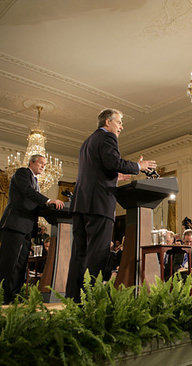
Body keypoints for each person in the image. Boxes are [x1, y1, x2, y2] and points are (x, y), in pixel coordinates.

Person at [66, 109, 156, 302]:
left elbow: (101, 168)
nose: (121, 127)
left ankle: (74, 299)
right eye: (119, 122)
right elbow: (113, 161)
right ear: (108, 122)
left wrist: (118, 175)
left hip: (81, 204)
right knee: (97, 254)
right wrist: (139, 166)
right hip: (98, 205)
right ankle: (91, 301)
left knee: (80, 254)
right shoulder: (108, 138)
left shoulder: (88, 141)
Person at [0, 154, 64, 303]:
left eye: (45, 165)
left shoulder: (36, 182)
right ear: (32, 162)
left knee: (20, 264)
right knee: (9, 263)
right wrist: (48, 200)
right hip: (14, 225)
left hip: (26, 228)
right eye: (41, 164)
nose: (43, 167)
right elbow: (27, 192)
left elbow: (34, 202)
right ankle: (0, 297)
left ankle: (13, 295)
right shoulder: (22, 173)